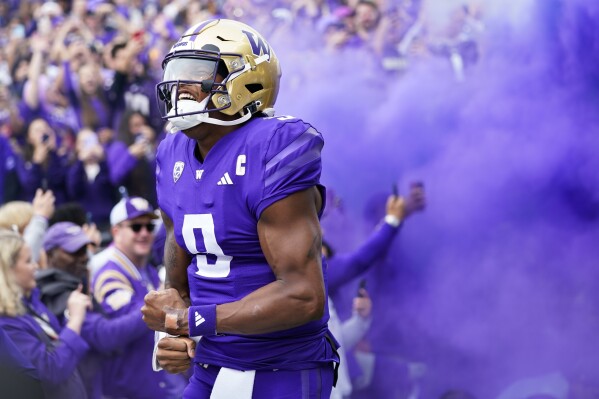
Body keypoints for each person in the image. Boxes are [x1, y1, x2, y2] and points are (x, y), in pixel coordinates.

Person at [141, 18, 339, 398]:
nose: (180, 86)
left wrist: (192, 320)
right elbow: (178, 278)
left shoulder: (275, 145)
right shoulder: (171, 151)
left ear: (246, 81)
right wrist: (175, 332)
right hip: (211, 362)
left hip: (280, 366)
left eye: (196, 73)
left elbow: (303, 295)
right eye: (176, 73)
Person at [37, 221, 158, 399]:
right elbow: (105, 336)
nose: (84, 257)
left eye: (85, 250)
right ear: (49, 255)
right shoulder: (57, 295)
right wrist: (152, 304)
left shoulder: (75, 284)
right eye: (74, 252)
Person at [91, 197, 181, 399]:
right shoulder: (110, 275)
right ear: (115, 231)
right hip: (130, 388)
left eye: (149, 226)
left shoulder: (145, 268)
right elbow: (125, 328)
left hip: (157, 381)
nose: (144, 233)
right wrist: (165, 303)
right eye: (136, 226)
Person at [0, 229, 91, 398]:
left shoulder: (29, 301)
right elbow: (49, 371)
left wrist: (71, 314)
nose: (36, 266)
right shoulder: (5, 324)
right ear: (8, 270)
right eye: (28, 261)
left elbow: (56, 343)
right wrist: (76, 320)